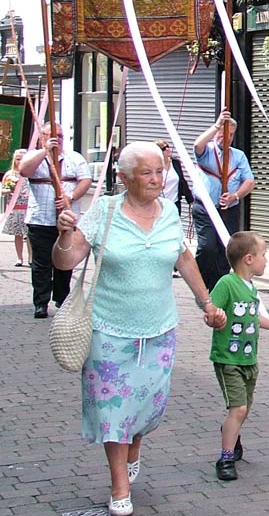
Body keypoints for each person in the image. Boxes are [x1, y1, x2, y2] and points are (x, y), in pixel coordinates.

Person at [52, 141, 226, 516]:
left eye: (159, 171)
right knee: (113, 410)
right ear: (124, 178)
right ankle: (119, 487)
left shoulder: (169, 213)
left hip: (159, 330)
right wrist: (64, 233)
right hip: (108, 330)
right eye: (145, 173)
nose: (155, 179)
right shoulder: (105, 210)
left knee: (146, 409)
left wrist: (207, 302)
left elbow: (182, 257)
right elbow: (65, 262)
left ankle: (134, 444)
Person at [210, 231, 269, 482]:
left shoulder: (250, 288)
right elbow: (212, 308)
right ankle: (225, 458)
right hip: (228, 359)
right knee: (238, 407)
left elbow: (251, 317)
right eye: (264, 255)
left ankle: (231, 434)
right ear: (249, 259)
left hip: (249, 359)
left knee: (244, 409)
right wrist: (213, 317)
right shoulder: (227, 284)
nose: (267, 260)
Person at [20, 122, 93, 318]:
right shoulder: (33, 156)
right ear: (42, 136)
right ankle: (41, 302)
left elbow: (85, 180)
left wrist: (71, 197)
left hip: (67, 220)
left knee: (64, 262)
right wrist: (44, 151)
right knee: (41, 263)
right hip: (40, 219)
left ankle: (62, 298)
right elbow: (24, 171)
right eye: (51, 135)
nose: (56, 139)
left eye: (60, 136)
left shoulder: (74, 158)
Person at [192, 110, 255, 291]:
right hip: (205, 208)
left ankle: (217, 288)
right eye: (222, 133)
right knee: (207, 247)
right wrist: (217, 125)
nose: (225, 138)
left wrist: (235, 196)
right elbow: (197, 144)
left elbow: (249, 181)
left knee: (225, 251)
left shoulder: (238, 155)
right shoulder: (206, 152)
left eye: (230, 134)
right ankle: (201, 283)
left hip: (228, 209)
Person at [2, 149, 32, 267]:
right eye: (18, 159)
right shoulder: (10, 174)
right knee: (18, 234)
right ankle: (19, 258)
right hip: (15, 208)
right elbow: (3, 191)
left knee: (29, 234)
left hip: (28, 208)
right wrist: (10, 189)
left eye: (22, 159)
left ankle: (31, 257)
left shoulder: (31, 173)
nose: (20, 161)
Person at [155, 139, 193, 215]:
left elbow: (182, 181)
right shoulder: (154, 166)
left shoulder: (175, 162)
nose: (168, 149)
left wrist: (190, 200)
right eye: (164, 148)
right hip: (158, 205)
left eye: (168, 146)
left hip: (175, 204)